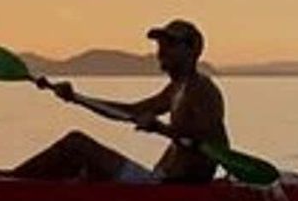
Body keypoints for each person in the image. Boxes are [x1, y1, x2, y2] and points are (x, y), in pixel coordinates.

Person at [13, 19, 228, 183]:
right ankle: (12, 185)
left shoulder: (203, 90)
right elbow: (130, 111)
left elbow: (211, 146)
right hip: (157, 181)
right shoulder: (176, 89)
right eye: (160, 44)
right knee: (80, 167)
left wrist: (159, 128)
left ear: (192, 50)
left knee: (76, 144)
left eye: (170, 43)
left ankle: (8, 188)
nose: (161, 51)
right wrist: (77, 98)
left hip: (167, 189)